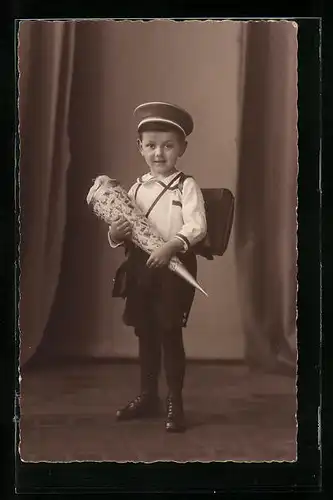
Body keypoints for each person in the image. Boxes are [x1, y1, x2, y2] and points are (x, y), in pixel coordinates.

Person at [108, 102, 207, 432]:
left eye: (168, 145)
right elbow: (124, 228)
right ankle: (148, 395)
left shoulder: (185, 186)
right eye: (151, 145)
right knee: (145, 333)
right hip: (141, 268)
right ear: (140, 148)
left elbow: (196, 227)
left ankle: (174, 402)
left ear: (182, 148)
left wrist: (171, 245)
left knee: (168, 332)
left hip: (173, 267)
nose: (159, 153)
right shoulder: (135, 188)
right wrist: (115, 233)